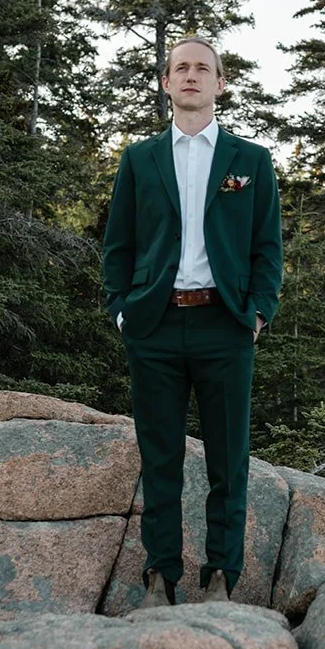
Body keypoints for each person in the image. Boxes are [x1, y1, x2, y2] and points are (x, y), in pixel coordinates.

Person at [102, 38, 283, 606]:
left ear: (219, 84)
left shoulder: (249, 161)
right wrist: (122, 309)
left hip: (225, 326)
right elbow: (118, 244)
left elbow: (267, 247)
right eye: (181, 67)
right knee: (161, 459)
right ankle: (160, 577)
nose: (191, 75)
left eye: (203, 68)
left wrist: (257, 312)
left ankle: (221, 578)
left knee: (228, 461)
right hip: (154, 326)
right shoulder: (139, 158)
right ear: (165, 81)